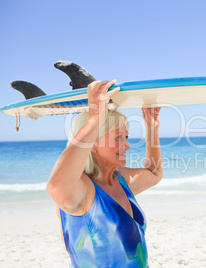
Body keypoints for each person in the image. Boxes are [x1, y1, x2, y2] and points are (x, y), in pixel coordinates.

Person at [47, 80, 162, 267]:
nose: (127, 145)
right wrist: (95, 117)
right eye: (118, 137)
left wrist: (151, 127)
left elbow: (154, 172)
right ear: (92, 142)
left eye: (127, 136)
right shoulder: (83, 191)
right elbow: (56, 186)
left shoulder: (120, 180)